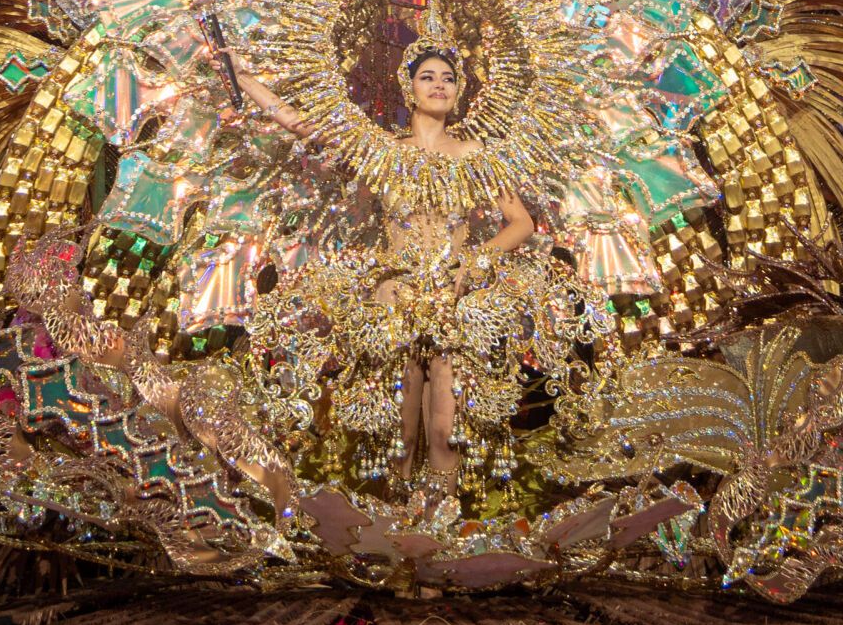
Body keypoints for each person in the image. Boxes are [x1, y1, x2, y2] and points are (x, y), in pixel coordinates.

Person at [232, 43, 601, 498]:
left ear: (459, 92)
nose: (439, 84)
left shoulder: (474, 153)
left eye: (447, 78)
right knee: (399, 438)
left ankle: (440, 527)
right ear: (410, 90)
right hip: (396, 299)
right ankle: (401, 535)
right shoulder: (384, 151)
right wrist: (241, 77)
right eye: (428, 77)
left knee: (447, 433)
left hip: (455, 302)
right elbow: (303, 125)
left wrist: (478, 257)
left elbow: (521, 222)